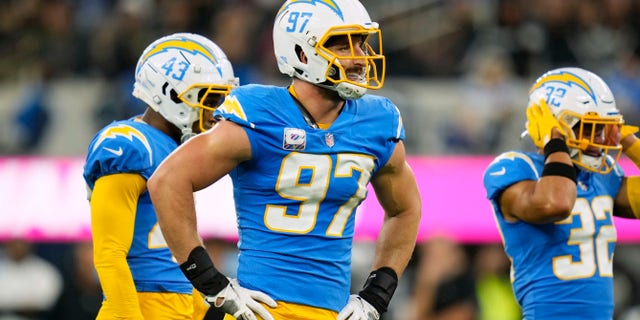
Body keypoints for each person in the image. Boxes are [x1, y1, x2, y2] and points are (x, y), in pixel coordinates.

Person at [147, 0, 422, 319]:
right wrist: (210, 281)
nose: (360, 58)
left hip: (331, 313)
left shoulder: (376, 121)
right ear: (303, 54)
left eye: (361, 44)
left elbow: (406, 208)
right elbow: (167, 180)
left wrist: (377, 294)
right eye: (345, 46)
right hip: (264, 311)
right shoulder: (261, 113)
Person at [82, 32, 238, 320]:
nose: (216, 111)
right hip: (139, 305)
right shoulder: (130, 145)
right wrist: (125, 313)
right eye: (210, 98)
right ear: (170, 92)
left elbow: (177, 246)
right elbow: (109, 252)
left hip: (176, 306)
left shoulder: (176, 149)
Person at [483, 66, 640, 319]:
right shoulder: (516, 168)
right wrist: (554, 141)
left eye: (603, 129)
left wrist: (629, 141)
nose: (600, 140)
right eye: (590, 128)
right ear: (555, 124)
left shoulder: (601, 175)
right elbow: (555, 203)